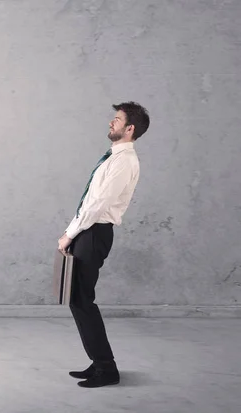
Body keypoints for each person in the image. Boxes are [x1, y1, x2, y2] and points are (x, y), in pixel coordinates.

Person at [57, 102, 150, 388]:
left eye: (117, 120)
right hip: (89, 230)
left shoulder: (124, 161)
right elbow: (91, 201)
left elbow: (98, 205)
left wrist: (69, 233)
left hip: (94, 232)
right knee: (78, 299)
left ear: (129, 128)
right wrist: (73, 230)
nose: (111, 123)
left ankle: (106, 369)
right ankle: (99, 362)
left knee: (82, 300)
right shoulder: (113, 157)